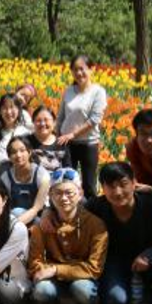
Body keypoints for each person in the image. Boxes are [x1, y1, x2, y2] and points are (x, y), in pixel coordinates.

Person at [86, 162, 152, 304]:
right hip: (114, 262)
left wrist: (151, 255)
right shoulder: (96, 206)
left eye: (123, 184)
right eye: (111, 186)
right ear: (102, 188)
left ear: (134, 183)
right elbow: (69, 211)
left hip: (149, 262)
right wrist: (48, 211)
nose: (118, 192)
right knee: (116, 300)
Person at [28, 167, 107, 304]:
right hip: (51, 276)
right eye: (58, 193)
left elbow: (94, 268)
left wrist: (56, 270)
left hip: (81, 277)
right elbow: (35, 261)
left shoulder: (95, 225)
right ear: (50, 196)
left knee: (83, 290)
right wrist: (45, 270)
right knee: (43, 290)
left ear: (80, 193)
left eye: (69, 193)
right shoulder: (42, 226)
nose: (64, 198)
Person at [55, 55, 107, 198]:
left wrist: (72, 134)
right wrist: (56, 135)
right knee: (67, 181)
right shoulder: (69, 91)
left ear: (91, 69)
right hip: (67, 143)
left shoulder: (98, 92)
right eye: (75, 70)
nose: (79, 73)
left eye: (82, 69)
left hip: (88, 143)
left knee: (89, 185)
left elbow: (94, 119)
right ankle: (69, 210)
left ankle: (90, 210)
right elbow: (61, 116)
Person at [0, 136, 50, 226]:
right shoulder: (5, 177)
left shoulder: (41, 174)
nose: (18, 155)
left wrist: (13, 226)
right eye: (13, 152)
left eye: (22, 150)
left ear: (29, 152)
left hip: (39, 218)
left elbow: (37, 208)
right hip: (15, 216)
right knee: (16, 211)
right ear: (9, 157)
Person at [26, 105, 71, 172]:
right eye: (38, 120)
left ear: (54, 122)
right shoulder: (26, 142)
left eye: (46, 120)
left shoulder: (61, 142)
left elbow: (68, 169)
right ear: (33, 122)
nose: (42, 124)